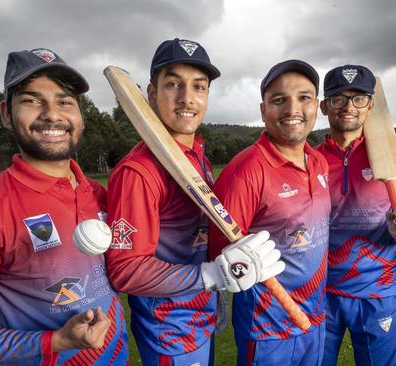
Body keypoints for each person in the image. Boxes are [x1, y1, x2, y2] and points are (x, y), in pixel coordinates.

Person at [0, 48, 129, 364]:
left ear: (80, 117)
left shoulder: (99, 194)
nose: (52, 114)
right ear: (6, 113)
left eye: (65, 101)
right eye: (32, 100)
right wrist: (56, 341)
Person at [105, 38, 283, 366]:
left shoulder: (194, 154)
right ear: (152, 93)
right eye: (173, 84)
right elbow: (125, 270)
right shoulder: (140, 171)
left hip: (201, 316)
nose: (188, 98)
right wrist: (210, 275)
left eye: (199, 86)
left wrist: (220, 276)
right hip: (170, 330)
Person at [207, 60, 330, 365]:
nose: (292, 109)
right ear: (263, 110)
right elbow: (218, 253)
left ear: (316, 105)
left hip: (314, 317)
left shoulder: (319, 163)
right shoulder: (245, 171)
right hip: (267, 328)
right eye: (279, 100)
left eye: (304, 98)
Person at [315, 64, 396, 366]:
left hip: (377, 289)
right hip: (321, 290)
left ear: (370, 106)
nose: (348, 107)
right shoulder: (311, 159)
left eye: (358, 99)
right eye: (338, 98)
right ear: (323, 106)